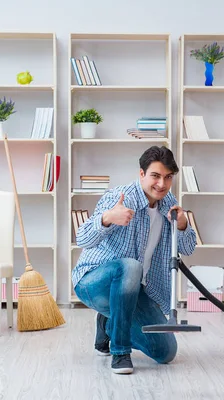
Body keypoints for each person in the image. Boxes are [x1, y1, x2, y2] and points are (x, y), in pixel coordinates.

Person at [71, 145, 197, 374]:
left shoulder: (169, 204)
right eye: (155, 176)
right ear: (141, 174)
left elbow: (188, 248)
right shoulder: (119, 197)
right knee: (131, 266)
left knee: (166, 352)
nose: (161, 184)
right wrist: (108, 218)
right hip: (93, 283)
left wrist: (182, 224)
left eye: (168, 178)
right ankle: (120, 353)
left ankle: (108, 324)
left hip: (131, 291)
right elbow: (82, 238)